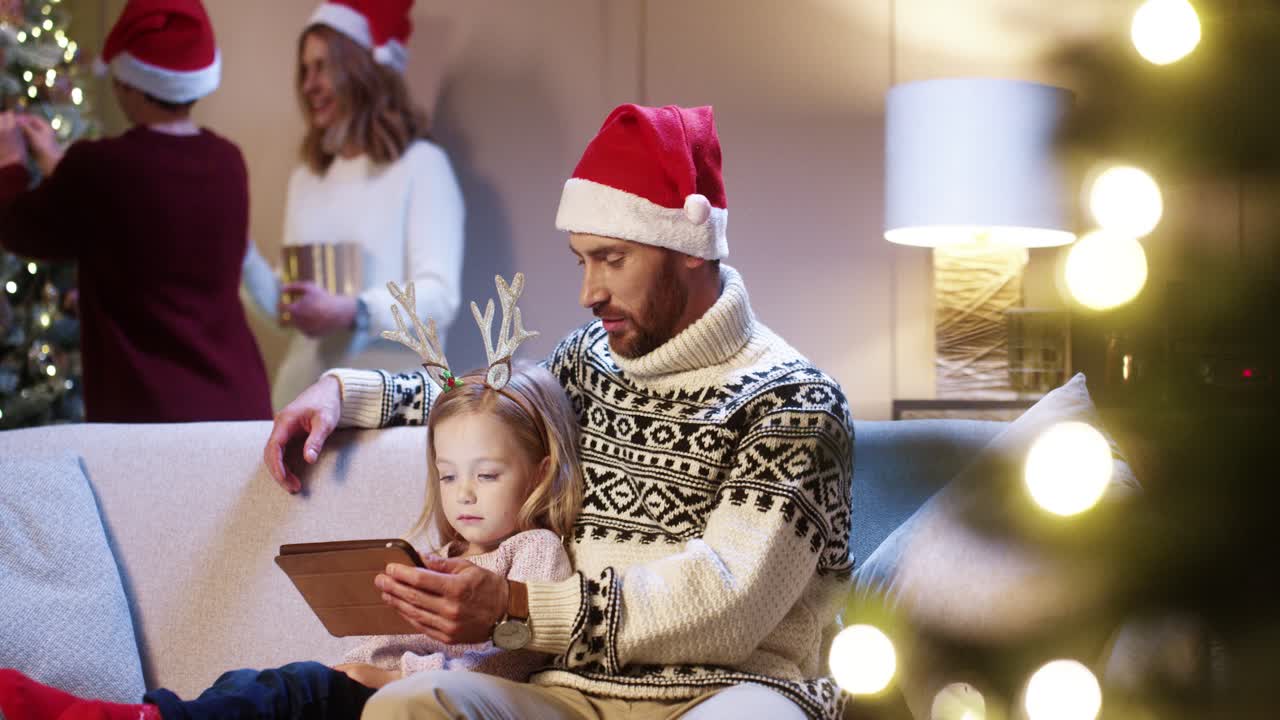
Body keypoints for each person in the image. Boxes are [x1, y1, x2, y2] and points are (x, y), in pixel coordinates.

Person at [265, 104, 856, 719]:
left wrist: (516, 606)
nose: (588, 292)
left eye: (612, 258)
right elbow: (493, 402)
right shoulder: (588, 360)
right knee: (411, 704)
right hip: (569, 695)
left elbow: (728, 605)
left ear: (688, 247)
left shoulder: (797, 403)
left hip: (734, 694)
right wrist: (347, 392)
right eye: (583, 260)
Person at [0, 302, 585, 720]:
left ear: (538, 472)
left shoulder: (532, 552)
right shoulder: (445, 552)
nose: (463, 495)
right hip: (359, 686)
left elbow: (512, 661)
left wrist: (383, 678)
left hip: (388, 697)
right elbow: (381, 641)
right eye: (448, 475)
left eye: (486, 476)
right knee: (251, 687)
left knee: (291, 690)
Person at [0, 0, 271, 423]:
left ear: (127, 82)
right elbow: (136, 218)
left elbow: (18, 228)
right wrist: (60, 164)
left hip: (152, 419)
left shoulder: (102, 168)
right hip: (238, 407)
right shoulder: (227, 161)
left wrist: (11, 162)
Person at [243, 0, 464, 409]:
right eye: (305, 70)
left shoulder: (422, 168)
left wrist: (354, 312)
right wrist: (241, 254)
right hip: (300, 406)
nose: (309, 85)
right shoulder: (308, 179)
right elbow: (287, 307)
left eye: (323, 66)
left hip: (387, 410)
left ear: (362, 69)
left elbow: (439, 298)